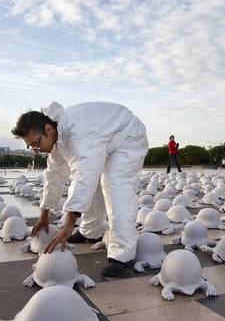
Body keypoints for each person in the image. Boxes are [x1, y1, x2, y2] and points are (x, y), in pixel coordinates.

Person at [11, 101, 148, 277]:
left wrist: (68, 226)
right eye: (31, 146)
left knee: (114, 184)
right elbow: (54, 176)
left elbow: (83, 177)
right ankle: (91, 231)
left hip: (128, 135)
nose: (36, 150)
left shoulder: (77, 134)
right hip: (106, 138)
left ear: (48, 129)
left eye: (36, 144)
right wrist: (44, 214)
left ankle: (123, 254)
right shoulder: (57, 137)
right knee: (94, 182)